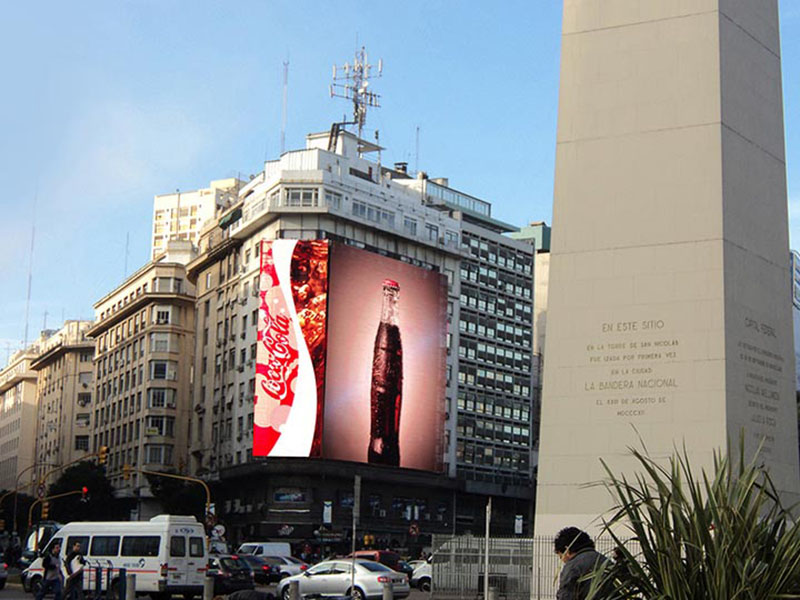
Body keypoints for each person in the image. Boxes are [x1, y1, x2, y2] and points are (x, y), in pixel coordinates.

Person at [554, 527, 607, 600]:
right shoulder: (605, 561)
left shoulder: (572, 567)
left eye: (561, 556)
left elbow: (566, 596)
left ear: (566, 550)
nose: (563, 561)